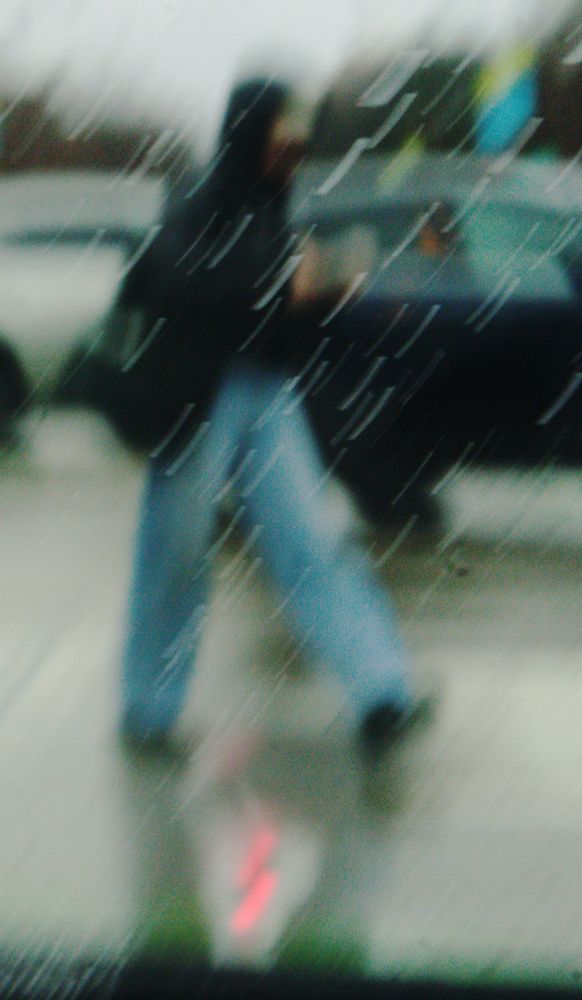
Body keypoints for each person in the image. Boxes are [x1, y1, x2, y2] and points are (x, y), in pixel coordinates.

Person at [116, 76, 430, 757]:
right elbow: (179, 282)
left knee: (313, 541)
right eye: (283, 127)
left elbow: (265, 298)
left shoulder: (269, 202)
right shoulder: (199, 197)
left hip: (264, 392)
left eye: (298, 129)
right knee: (176, 554)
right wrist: (281, 279)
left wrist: (317, 288)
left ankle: (382, 691)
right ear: (250, 129)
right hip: (198, 399)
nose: (294, 142)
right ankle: (148, 707)